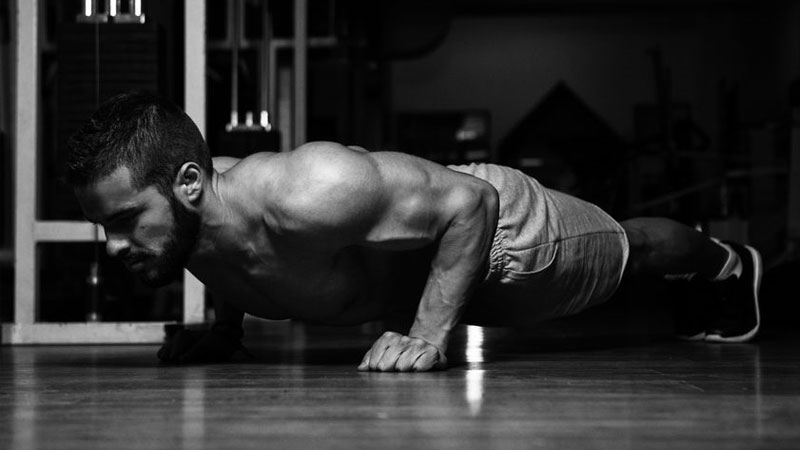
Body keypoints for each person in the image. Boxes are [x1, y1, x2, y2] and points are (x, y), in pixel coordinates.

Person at [64, 91, 762, 372]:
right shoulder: (185, 227)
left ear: (189, 184)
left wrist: (429, 337)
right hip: (425, 286)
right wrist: (225, 331)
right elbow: (238, 255)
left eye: (125, 222)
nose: (117, 245)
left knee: (631, 252)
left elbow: (472, 202)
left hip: (497, 241)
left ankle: (729, 263)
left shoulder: (311, 189)